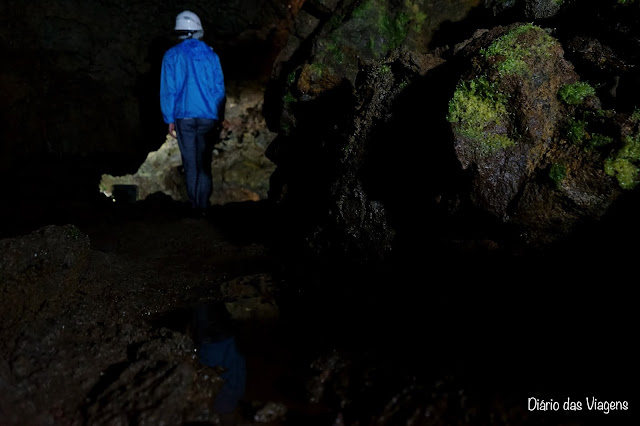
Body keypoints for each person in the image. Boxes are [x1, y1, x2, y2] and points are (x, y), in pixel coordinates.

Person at [160, 10, 225, 215]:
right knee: (203, 162)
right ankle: (203, 206)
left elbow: (168, 90)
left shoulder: (171, 55)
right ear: (198, 30)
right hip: (207, 116)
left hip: (183, 117)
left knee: (190, 162)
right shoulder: (211, 54)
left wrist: (169, 119)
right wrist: (218, 116)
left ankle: (195, 207)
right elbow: (218, 89)